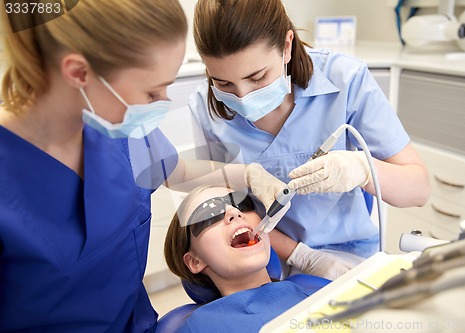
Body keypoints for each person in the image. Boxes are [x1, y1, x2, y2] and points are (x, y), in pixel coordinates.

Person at [0, 1, 286, 331]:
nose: (164, 102)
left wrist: (248, 175)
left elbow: (175, 173)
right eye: (152, 92)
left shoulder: (122, 130)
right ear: (79, 73)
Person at [189, 0, 431, 280]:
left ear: (287, 45)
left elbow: (419, 188)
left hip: (347, 254)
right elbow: (220, 203)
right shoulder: (203, 106)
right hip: (262, 257)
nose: (243, 97)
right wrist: (299, 255)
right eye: (223, 84)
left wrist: (362, 169)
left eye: (257, 77)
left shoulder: (345, 79)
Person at [164, 185, 330, 333]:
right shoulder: (197, 328)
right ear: (195, 261)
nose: (235, 212)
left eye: (242, 204)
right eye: (210, 213)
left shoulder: (317, 290)